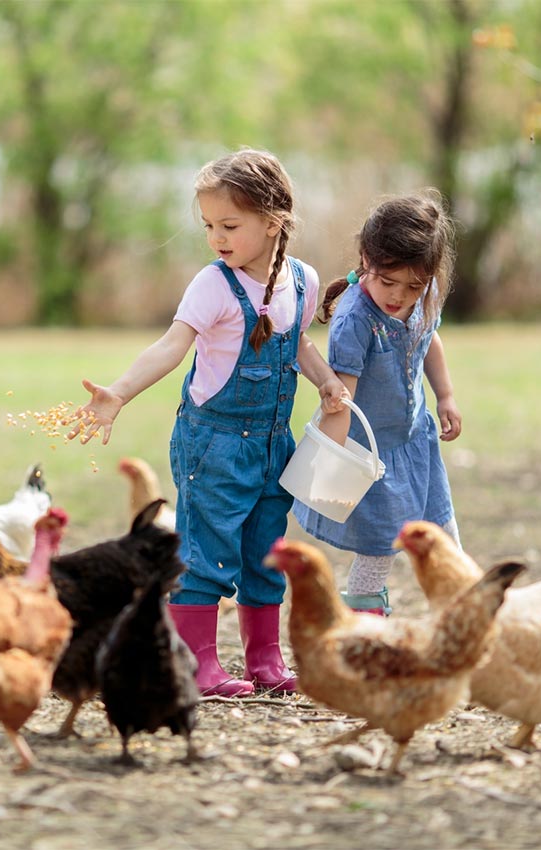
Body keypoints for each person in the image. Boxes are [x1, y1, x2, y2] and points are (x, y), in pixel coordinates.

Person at [68, 148, 346, 697]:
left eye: (229, 225)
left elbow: (299, 344)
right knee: (206, 551)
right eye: (208, 226)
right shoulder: (213, 285)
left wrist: (327, 380)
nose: (216, 237)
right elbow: (172, 346)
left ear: (273, 223)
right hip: (213, 443)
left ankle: (264, 660)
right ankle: (198, 664)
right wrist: (119, 391)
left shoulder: (303, 280)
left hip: (273, 444)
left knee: (266, 551)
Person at [293, 189, 462, 617]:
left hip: (415, 441)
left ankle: (463, 608)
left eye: (413, 285)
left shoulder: (424, 297)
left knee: (442, 530)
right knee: (379, 548)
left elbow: (429, 340)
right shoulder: (355, 320)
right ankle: (364, 621)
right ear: (367, 258)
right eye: (388, 282)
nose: (399, 295)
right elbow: (340, 398)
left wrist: (445, 396)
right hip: (374, 457)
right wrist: (328, 463)